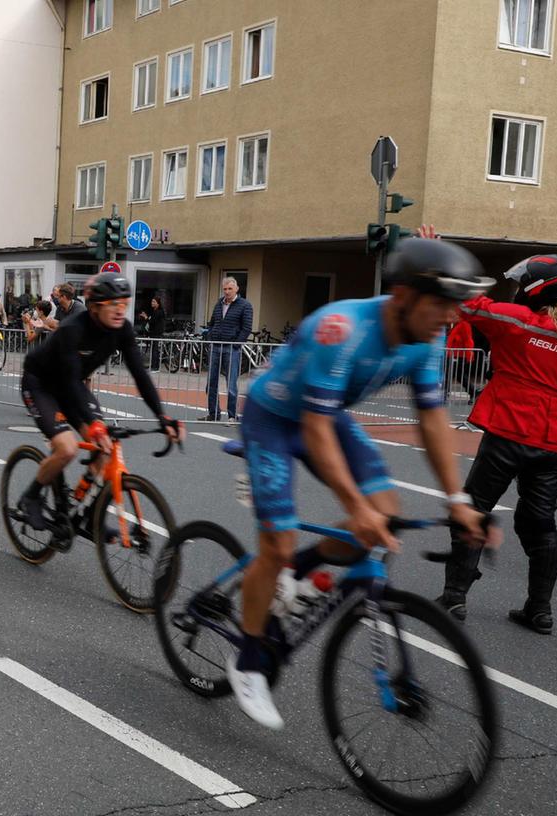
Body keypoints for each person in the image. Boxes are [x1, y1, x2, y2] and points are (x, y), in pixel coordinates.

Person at [228, 239, 491, 731]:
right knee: (278, 540)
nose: (452, 317)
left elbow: (432, 417)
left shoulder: (427, 339)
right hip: (275, 418)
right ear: (403, 296)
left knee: (384, 510)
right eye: (442, 302)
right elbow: (314, 427)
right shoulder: (343, 328)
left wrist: (458, 499)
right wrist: (355, 504)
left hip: (326, 417)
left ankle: (299, 572)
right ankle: (246, 662)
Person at [437, 254, 557, 634]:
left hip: (506, 431)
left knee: (474, 509)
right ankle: (540, 610)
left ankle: (454, 598)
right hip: (550, 444)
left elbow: (469, 305)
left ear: (537, 288)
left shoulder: (518, 321)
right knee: (540, 525)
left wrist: (441, 260)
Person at [17, 271, 182, 530]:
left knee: (106, 448)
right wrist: (93, 424)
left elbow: (140, 374)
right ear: (94, 307)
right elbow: (71, 381)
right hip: (41, 385)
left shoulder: (122, 329)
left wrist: (163, 416)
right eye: (113, 305)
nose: (120, 311)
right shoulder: (73, 329)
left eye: (124, 304)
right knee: (68, 448)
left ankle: (88, 514)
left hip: (71, 386)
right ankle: (31, 496)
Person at [206, 277, 252, 422]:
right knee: (211, 382)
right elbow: (212, 323)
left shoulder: (245, 305)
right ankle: (213, 414)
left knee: (231, 384)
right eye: (225, 289)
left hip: (232, 349)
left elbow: (246, 328)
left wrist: (236, 344)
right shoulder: (219, 304)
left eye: (230, 289)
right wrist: (210, 338)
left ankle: (232, 416)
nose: (227, 292)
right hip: (216, 347)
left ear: (237, 289)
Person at [138, 293, 167, 370]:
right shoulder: (155, 311)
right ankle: (154, 365)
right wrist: (146, 317)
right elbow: (151, 320)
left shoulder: (159, 312)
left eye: (154, 302)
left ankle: (155, 367)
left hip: (156, 333)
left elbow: (152, 321)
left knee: (155, 350)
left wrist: (146, 317)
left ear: (158, 303)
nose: (152, 303)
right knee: (154, 349)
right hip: (153, 333)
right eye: (152, 302)